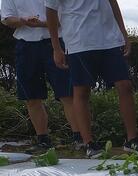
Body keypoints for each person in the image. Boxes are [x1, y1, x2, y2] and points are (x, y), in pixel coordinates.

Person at [44, 0, 138, 157]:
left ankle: (132, 139)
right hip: (79, 40)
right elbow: (50, 11)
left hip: (109, 39)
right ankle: (89, 143)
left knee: (125, 85)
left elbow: (113, 3)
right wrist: (56, 47)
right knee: (81, 90)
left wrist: (123, 33)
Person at [1, 0, 81, 153]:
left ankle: (80, 138)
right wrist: (22, 21)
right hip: (25, 45)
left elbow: (63, 18)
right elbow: (7, 18)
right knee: (31, 97)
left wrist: (41, 24)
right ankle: (43, 140)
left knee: (67, 93)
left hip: (55, 42)